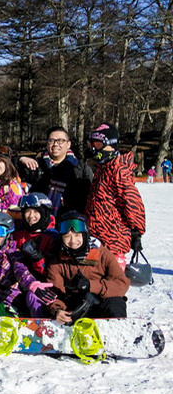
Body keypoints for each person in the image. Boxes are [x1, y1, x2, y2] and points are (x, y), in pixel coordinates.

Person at [45, 212, 129, 322]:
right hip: (76, 306)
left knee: (115, 303)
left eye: (77, 235)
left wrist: (91, 286)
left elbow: (121, 284)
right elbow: (54, 291)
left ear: (85, 235)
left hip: (102, 301)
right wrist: (57, 310)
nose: (73, 241)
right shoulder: (57, 261)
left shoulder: (101, 253)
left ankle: (117, 332)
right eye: (67, 236)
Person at [84, 123, 146, 270]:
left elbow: (132, 201)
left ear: (110, 145)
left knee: (111, 283)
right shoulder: (103, 168)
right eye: (92, 144)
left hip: (113, 240)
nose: (94, 148)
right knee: (93, 280)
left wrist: (136, 231)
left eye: (98, 144)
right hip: (96, 237)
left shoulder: (118, 170)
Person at [16, 126, 92, 216]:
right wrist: (20, 159)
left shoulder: (80, 167)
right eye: (51, 140)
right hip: (40, 218)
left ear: (68, 144)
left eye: (61, 141)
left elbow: (91, 193)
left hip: (71, 219)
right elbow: (6, 169)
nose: (56, 144)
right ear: (47, 144)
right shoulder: (36, 165)